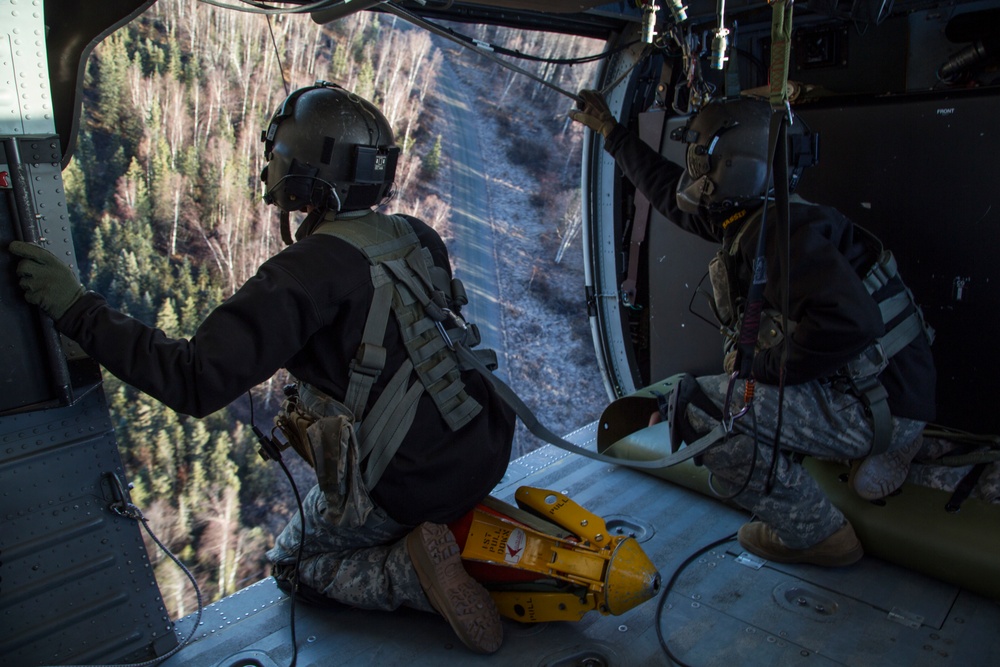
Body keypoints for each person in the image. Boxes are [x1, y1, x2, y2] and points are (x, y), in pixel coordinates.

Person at [10, 83, 515, 653]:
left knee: (295, 565)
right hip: (488, 443)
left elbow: (194, 380)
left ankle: (411, 573)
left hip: (420, 482)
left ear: (301, 173)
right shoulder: (415, 235)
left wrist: (78, 311)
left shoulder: (302, 275)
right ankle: (440, 532)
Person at [570, 90, 936, 566]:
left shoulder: (784, 238)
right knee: (733, 395)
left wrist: (759, 369)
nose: (696, 174)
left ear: (733, 168)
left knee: (699, 408)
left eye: (704, 162)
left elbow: (854, 323)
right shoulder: (764, 215)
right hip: (891, 390)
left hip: (877, 403)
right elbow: (670, 197)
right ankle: (895, 443)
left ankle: (817, 534)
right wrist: (614, 136)